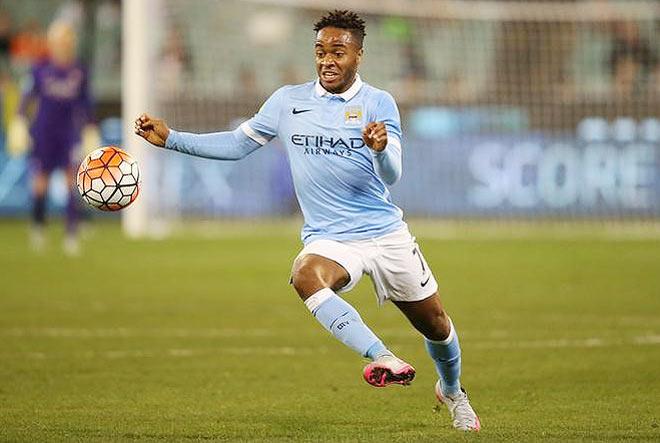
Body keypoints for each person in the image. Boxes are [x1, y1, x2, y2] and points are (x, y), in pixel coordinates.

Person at [135, 10, 480, 431]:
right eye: (320, 51)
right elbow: (237, 144)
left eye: (338, 51)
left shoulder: (378, 102)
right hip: (331, 238)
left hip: (384, 233)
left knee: (437, 325)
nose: (327, 60)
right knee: (304, 274)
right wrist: (172, 139)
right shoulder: (287, 101)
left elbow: (393, 175)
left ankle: (453, 391)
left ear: (358, 56)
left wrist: (380, 148)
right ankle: (381, 355)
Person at [17, 21, 94, 254]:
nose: (63, 46)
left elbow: (86, 103)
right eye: (59, 41)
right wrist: (20, 122)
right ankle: (38, 226)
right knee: (41, 180)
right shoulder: (40, 69)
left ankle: (72, 232)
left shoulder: (79, 71)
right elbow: (27, 97)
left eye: (67, 41)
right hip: (44, 132)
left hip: (69, 133)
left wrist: (91, 128)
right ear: (51, 44)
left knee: (73, 180)